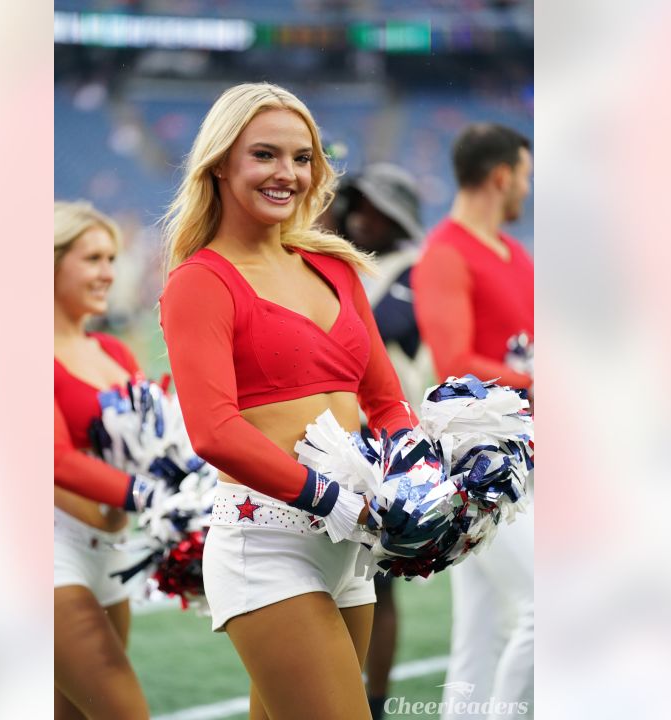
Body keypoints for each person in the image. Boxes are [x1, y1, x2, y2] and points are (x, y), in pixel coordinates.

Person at [158, 82, 422, 720]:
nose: (288, 174)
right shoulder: (199, 282)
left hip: (353, 549)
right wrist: (333, 500)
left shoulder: (333, 266)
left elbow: (385, 399)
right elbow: (215, 431)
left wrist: (419, 479)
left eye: (302, 158)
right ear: (221, 162)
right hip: (268, 544)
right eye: (266, 155)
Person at [411, 124, 534, 719]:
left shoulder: (518, 257)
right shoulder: (445, 254)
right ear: (502, 176)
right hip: (479, 466)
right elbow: (454, 363)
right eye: (526, 178)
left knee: (478, 631)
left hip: (527, 457)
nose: (527, 192)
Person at [54, 200, 159, 720]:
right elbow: (53, 460)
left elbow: (155, 443)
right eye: (92, 258)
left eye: (112, 259)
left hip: (113, 546)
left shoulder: (116, 354)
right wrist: (146, 495)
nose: (108, 273)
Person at [336, 163, 434, 720]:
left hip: (391, 444)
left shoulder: (420, 272)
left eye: (373, 207)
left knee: (378, 584)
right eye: (357, 206)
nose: (360, 216)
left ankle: (373, 701)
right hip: (338, 441)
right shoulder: (344, 266)